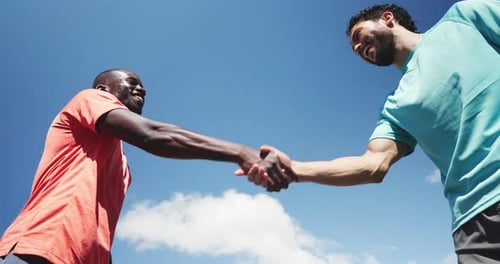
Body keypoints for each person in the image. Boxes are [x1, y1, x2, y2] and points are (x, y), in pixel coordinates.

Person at [249, 0, 500, 263]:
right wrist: (294, 169)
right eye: (355, 48)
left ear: (388, 19)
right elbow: (371, 166)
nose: (358, 48)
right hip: (474, 225)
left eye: (359, 37)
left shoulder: (464, 18)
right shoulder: (396, 105)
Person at [0, 68, 288, 264]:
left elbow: (97, 229)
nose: (142, 88)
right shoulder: (89, 98)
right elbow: (154, 135)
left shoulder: (122, 167)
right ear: (104, 88)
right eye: (131, 81)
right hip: (38, 249)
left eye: (142, 85)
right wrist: (241, 152)